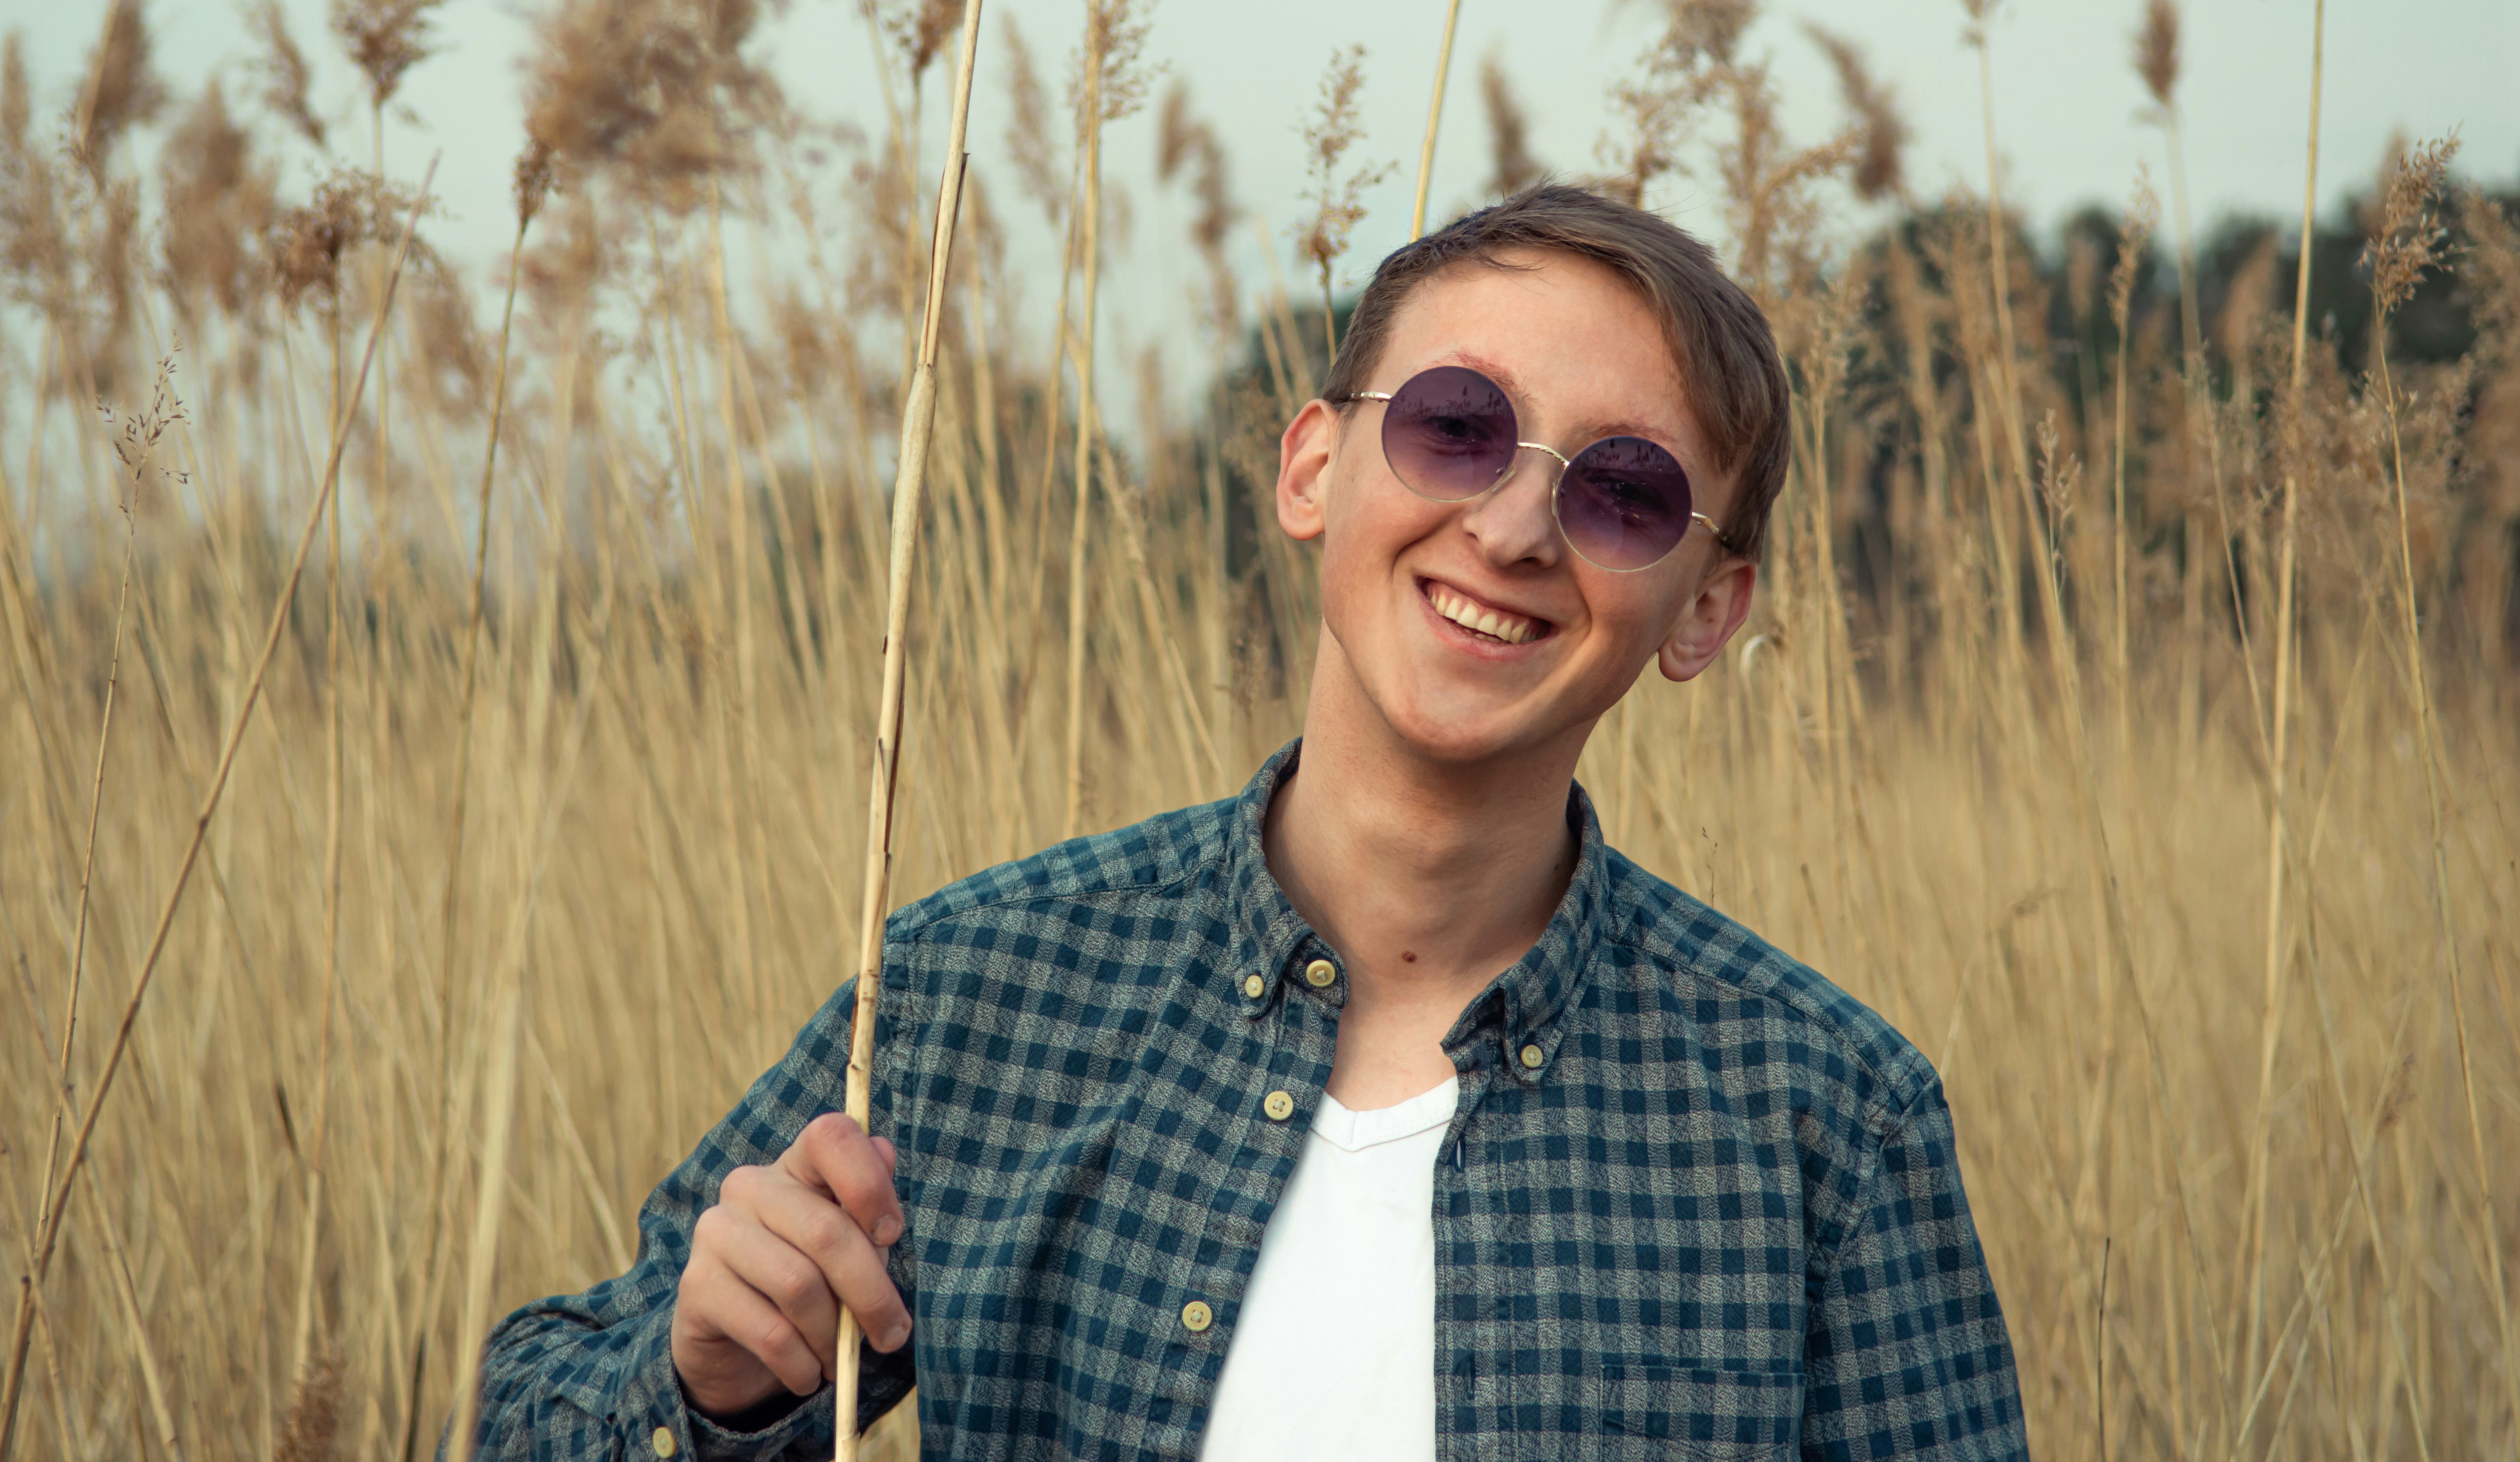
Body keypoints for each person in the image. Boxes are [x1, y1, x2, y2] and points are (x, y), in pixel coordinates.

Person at [467, 184, 2027, 1461]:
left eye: (1621, 492)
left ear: (1706, 610)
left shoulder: (1830, 1123)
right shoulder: (978, 991)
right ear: (1314, 464)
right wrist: (717, 1382)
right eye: (1457, 425)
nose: (1509, 528)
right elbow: (539, 1401)